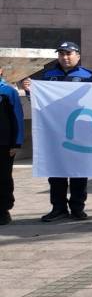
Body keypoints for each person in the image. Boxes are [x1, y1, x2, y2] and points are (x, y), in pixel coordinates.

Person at [23, 42, 92, 222]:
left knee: (78, 172)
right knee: (55, 172)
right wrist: (28, 91)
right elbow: (39, 101)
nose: (65, 57)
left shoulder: (88, 76)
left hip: (79, 132)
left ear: (78, 56)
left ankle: (77, 208)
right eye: (62, 54)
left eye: (69, 53)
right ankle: (58, 208)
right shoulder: (48, 76)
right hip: (53, 133)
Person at [0, 64, 24, 225]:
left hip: (3, 144)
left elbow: (17, 118)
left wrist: (17, 142)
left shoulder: (8, 92)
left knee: (3, 178)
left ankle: (3, 210)